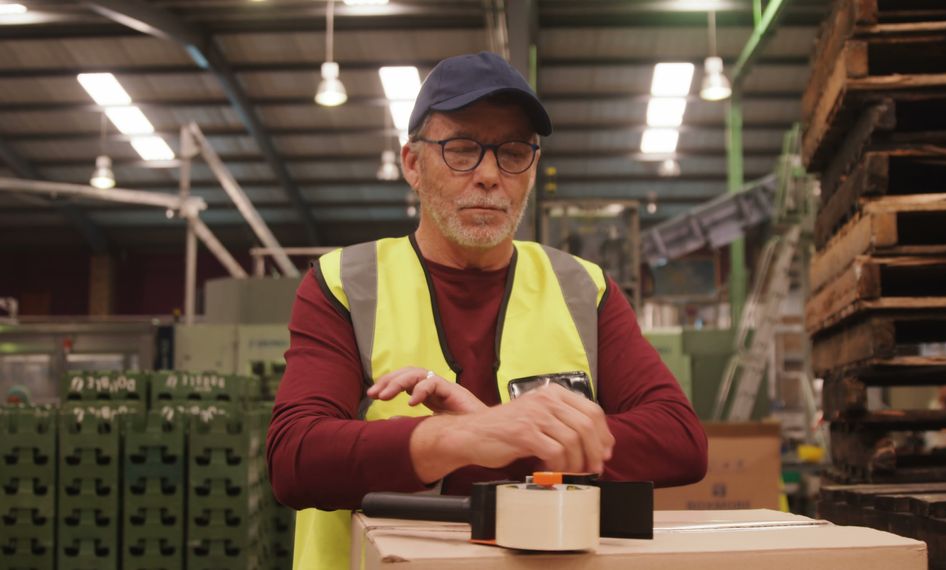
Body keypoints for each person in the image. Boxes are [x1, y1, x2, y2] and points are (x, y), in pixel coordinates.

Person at [266, 51, 708, 570]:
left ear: (533, 166)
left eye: (513, 152)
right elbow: (295, 457)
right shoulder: (345, 284)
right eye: (461, 149)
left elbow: (680, 441)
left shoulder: (582, 289)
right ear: (412, 163)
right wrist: (463, 436)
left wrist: (507, 434)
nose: (489, 175)